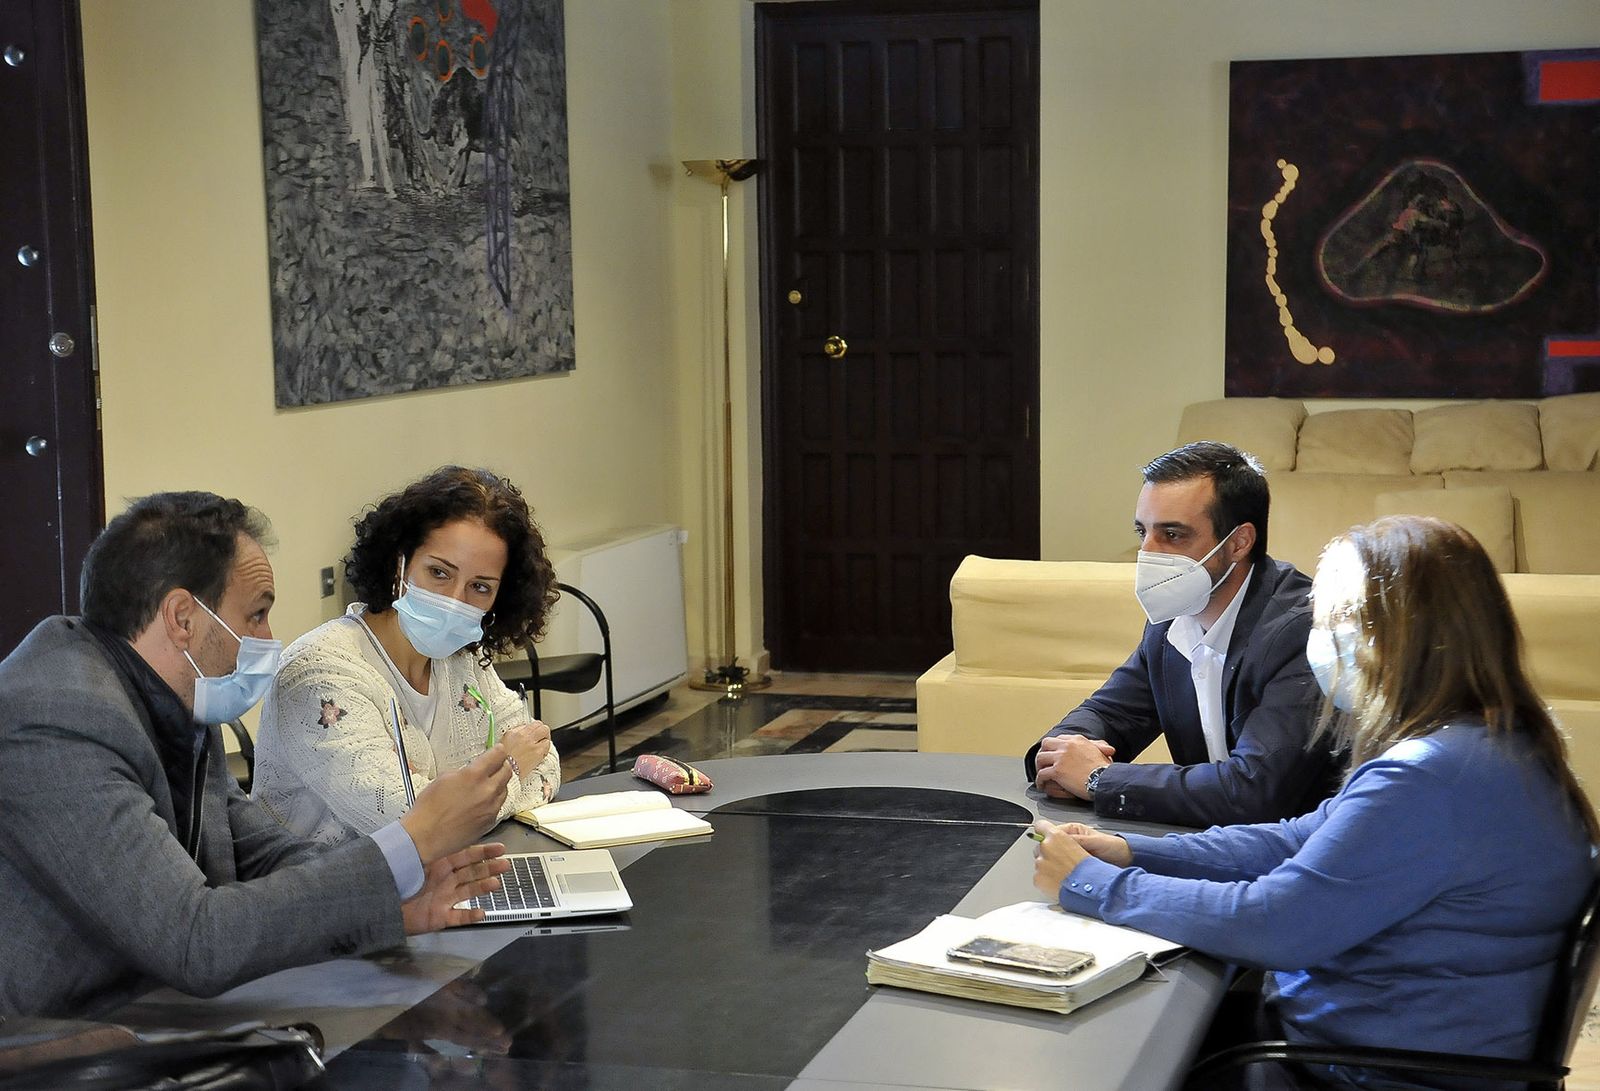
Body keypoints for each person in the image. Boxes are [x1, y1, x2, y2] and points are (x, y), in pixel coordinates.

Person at [1032, 516, 1598, 1088]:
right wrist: (1133, 851)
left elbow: (1274, 923)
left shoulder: (1432, 775)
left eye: (1335, 619)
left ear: (1401, 633)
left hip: (1355, 1071)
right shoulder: (1486, 744)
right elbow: (1295, 838)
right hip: (1376, 1045)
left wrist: (1095, 885)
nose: (1319, 639)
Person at [0, 492, 515, 1019]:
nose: (269, 637)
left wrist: (399, 899)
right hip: (64, 1039)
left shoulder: (174, 695)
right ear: (182, 617)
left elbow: (260, 854)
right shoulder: (56, 719)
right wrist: (413, 840)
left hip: (152, 1003)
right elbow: (195, 942)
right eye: (257, 614)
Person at [1025, 442, 1337, 827]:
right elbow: (1110, 712)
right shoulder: (1171, 618)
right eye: (1143, 531)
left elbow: (1256, 792)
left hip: (1305, 857)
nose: (1148, 553)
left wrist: (1098, 779)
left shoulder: (1302, 630)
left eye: (1172, 535)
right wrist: (1062, 755)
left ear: (1239, 542)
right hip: (1215, 843)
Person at [253, 467, 561, 845]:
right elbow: (413, 825)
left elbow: (545, 761)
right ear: (399, 564)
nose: (454, 601)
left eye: (480, 587)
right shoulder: (318, 673)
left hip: (440, 881)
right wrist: (511, 768)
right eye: (438, 573)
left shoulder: (459, 659)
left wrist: (468, 798)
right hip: (328, 897)